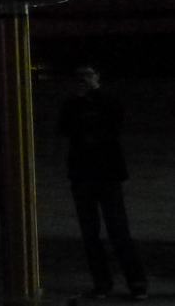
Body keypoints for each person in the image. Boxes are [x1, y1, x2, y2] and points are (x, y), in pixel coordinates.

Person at [58, 66, 147, 300]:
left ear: (97, 77)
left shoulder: (108, 99)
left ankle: (136, 283)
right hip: (82, 174)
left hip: (107, 174)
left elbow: (117, 119)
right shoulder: (72, 103)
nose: (84, 79)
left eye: (89, 74)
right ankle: (102, 283)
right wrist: (76, 101)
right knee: (90, 233)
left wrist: (95, 95)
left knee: (118, 229)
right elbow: (63, 128)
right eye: (80, 76)